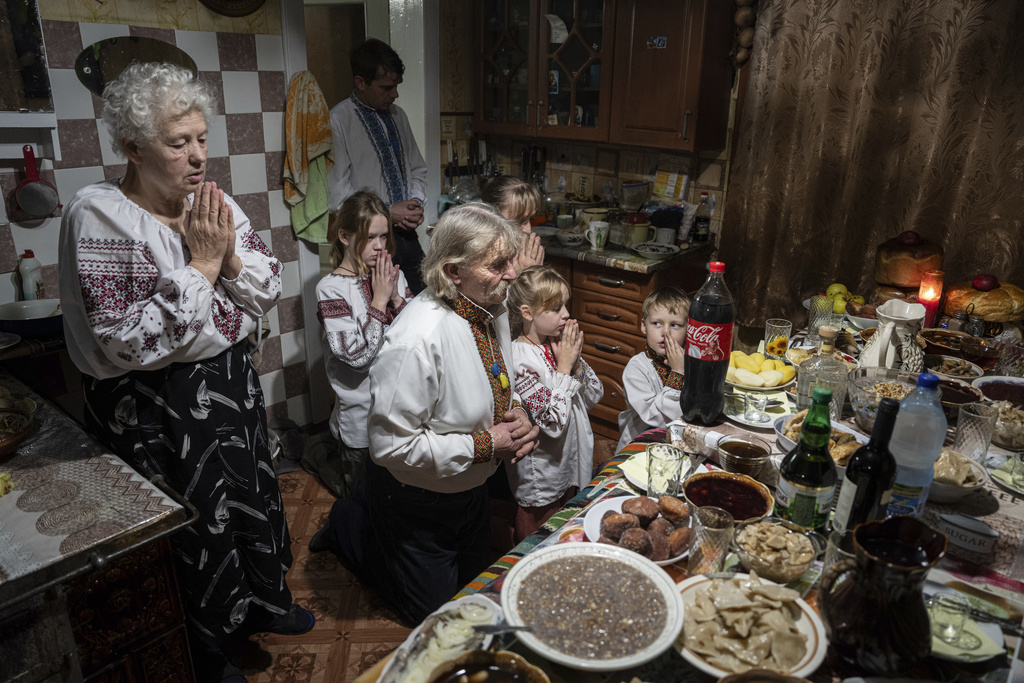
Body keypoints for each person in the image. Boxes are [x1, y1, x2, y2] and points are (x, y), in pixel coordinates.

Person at [57, 62, 309, 682]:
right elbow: (125, 341)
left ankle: (259, 607)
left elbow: (266, 285)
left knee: (249, 496)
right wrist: (202, 267)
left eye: (201, 138)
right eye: (179, 143)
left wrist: (220, 268)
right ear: (132, 148)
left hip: (227, 386)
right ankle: (206, 649)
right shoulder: (101, 217)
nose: (198, 156)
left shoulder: (209, 202)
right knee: (191, 526)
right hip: (155, 405)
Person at [308, 202, 540, 625]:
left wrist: (520, 413)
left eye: (511, 261)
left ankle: (364, 514)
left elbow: (499, 377)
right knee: (431, 616)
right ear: (454, 272)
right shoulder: (416, 340)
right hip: (415, 497)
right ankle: (348, 524)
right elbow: (391, 445)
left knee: (474, 593)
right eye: (498, 264)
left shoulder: (492, 308)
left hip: (470, 487)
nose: (511, 274)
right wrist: (489, 443)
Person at [307, 190, 413, 498]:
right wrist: (380, 301)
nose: (380, 247)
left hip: (400, 411)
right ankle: (316, 453)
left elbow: (418, 334)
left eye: (384, 236)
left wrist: (395, 296)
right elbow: (356, 358)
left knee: (394, 496)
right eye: (370, 238)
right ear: (344, 236)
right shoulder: (331, 290)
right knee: (359, 499)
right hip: (360, 419)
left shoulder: (393, 276)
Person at [506, 266, 603, 541]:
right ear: (527, 313)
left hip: (569, 465)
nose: (567, 314)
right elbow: (551, 424)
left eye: (566, 306)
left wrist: (575, 363)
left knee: (564, 528)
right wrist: (563, 369)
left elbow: (595, 396)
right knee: (537, 540)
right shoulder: (521, 360)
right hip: (543, 478)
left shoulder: (556, 345)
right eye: (556, 308)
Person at [328, 38, 428, 293]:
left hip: (406, 237)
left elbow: (417, 168)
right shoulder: (338, 121)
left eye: (396, 86)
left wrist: (415, 203)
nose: (395, 94)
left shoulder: (398, 115)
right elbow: (338, 195)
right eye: (387, 87)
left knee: (425, 301)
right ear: (360, 82)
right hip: (367, 241)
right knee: (379, 313)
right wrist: (388, 212)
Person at [617, 286, 691, 450]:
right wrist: (677, 374)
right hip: (642, 444)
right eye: (657, 323)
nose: (666, 332)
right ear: (644, 326)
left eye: (675, 325)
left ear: (689, 328)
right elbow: (655, 418)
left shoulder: (691, 362)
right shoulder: (636, 368)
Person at [480, 175, 545, 271]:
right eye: (519, 221)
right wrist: (522, 275)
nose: (528, 229)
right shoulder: (479, 259)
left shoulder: (516, 254)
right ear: (491, 216)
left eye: (530, 219)